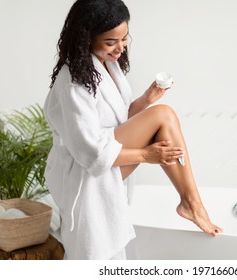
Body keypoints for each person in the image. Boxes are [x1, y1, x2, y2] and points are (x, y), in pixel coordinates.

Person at [44, 0, 222, 260]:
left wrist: (146, 100)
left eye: (124, 38)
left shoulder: (106, 64)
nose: (119, 48)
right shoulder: (74, 81)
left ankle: (192, 203)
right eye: (110, 42)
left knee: (162, 114)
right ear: (86, 37)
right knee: (164, 116)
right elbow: (89, 152)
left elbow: (116, 120)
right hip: (82, 169)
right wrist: (145, 155)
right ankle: (192, 204)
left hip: (105, 153)